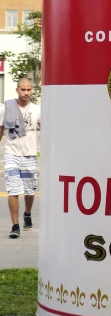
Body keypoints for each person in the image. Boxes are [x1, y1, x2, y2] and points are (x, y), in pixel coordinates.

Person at [0, 78, 41, 238]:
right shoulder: (6, 108)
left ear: (32, 90)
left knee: (29, 191)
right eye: (23, 89)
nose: (26, 93)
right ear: (17, 90)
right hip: (11, 153)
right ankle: (15, 225)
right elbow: (1, 130)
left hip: (29, 154)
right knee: (13, 190)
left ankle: (28, 213)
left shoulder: (38, 110)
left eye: (29, 89)